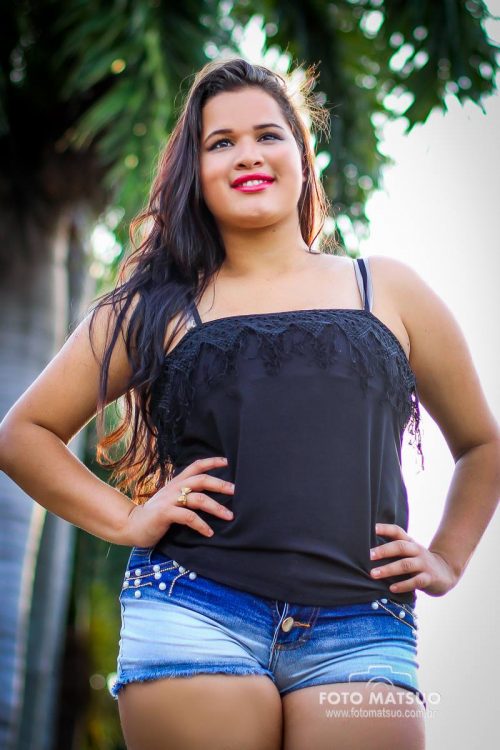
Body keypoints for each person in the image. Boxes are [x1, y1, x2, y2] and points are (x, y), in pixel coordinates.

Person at [0, 56, 498, 750]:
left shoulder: (386, 289)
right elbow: (23, 433)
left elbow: (482, 444)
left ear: (302, 157)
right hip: (195, 610)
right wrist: (127, 518)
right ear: (196, 175)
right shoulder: (155, 307)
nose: (248, 155)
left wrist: (447, 557)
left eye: (268, 135)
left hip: (362, 625)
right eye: (221, 142)